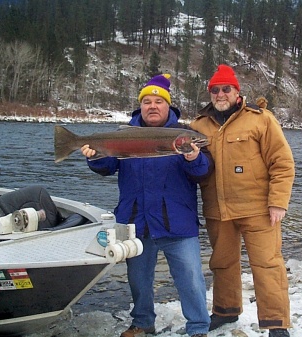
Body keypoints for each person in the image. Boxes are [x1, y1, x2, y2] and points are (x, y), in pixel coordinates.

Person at [81, 74, 212, 337]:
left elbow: (203, 172)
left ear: (168, 107)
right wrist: (95, 157)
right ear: (141, 106)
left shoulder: (185, 135)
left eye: (158, 102)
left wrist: (193, 156)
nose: (153, 106)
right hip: (135, 222)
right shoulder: (124, 134)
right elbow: (107, 167)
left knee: (191, 280)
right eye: (147, 101)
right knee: (138, 281)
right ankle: (142, 323)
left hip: (177, 222)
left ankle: (198, 328)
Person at [190, 65, 295, 337]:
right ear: (210, 93)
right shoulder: (198, 125)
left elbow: (282, 163)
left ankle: (276, 323)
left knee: (267, 265)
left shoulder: (261, 119)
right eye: (215, 90)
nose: (220, 94)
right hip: (217, 210)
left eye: (226, 89)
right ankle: (226, 310)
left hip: (258, 209)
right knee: (222, 263)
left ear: (237, 93)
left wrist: (278, 202)